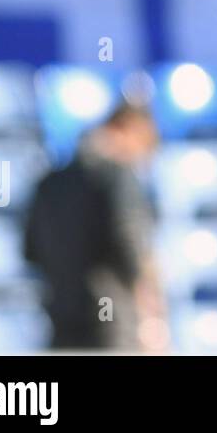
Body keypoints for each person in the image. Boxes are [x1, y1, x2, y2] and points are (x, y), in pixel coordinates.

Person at [23, 100, 166, 350]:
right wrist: (151, 315)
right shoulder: (117, 177)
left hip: (60, 324)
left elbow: (30, 251)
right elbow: (130, 246)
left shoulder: (48, 183)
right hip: (112, 327)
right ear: (128, 131)